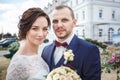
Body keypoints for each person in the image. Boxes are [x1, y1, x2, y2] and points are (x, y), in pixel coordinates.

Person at [42, 5, 101, 80]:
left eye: (64, 20)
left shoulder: (90, 50)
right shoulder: (45, 50)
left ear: (74, 22)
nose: (59, 25)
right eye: (55, 21)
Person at [6, 7, 51, 80]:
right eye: (35, 28)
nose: (41, 34)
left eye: (44, 29)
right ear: (26, 29)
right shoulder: (17, 63)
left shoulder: (41, 52)